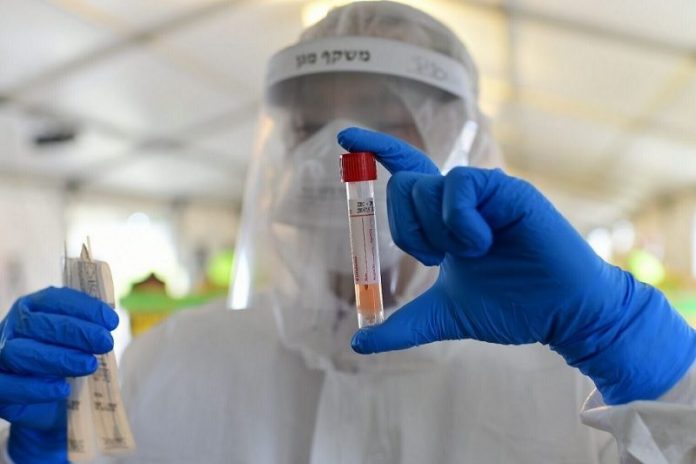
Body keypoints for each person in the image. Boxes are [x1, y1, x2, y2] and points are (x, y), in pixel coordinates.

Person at [1, 2, 695, 463]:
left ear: (461, 147)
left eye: (385, 123)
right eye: (308, 126)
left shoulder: (571, 385)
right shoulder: (177, 361)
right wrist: (53, 450)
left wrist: (649, 360)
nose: (334, 158)